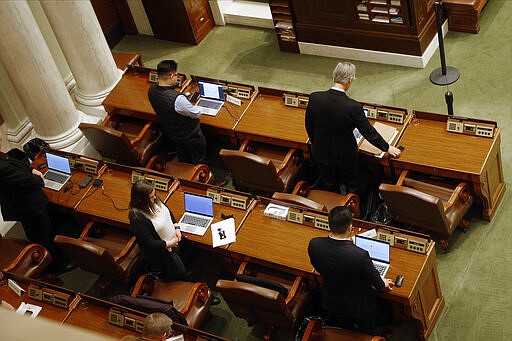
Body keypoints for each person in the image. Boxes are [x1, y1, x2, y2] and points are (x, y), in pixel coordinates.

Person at [305, 61, 401, 201]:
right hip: (345, 157)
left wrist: (317, 143)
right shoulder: (353, 107)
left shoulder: (314, 98)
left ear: (334, 77)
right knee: (352, 186)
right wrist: (387, 148)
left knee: (329, 184)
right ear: (350, 80)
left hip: (321, 153)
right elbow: (368, 132)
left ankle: (331, 205)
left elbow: (309, 125)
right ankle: (354, 208)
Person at [308, 206, 394, 335]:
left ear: (329, 225)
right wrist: (385, 282)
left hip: (331, 300)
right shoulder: (360, 255)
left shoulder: (314, 244)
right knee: (368, 329)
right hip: (360, 306)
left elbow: (318, 267)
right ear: (350, 228)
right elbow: (381, 286)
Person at [0, 136, 71, 272]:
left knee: (41, 230)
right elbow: (28, 181)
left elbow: (14, 165)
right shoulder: (1, 168)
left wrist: (30, 170)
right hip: (27, 205)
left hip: (23, 202)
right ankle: (56, 265)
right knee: (43, 235)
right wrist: (38, 179)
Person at [148, 59, 206, 164]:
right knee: (198, 157)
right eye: (176, 74)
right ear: (171, 76)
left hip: (171, 132)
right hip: (190, 135)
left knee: (183, 154)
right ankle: (201, 177)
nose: (177, 76)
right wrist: (201, 107)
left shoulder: (151, 90)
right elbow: (195, 114)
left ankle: (184, 167)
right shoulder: (178, 99)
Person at [128, 179, 187, 280]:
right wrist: (169, 244)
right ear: (141, 200)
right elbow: (149, 243)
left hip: (173, 243)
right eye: (151, 197)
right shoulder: (137, 218)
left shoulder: (153, 199)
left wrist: (176, 227)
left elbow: (167, 212)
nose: (155, 197)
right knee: (178, 275)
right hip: (164, 253)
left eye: (154, 194)